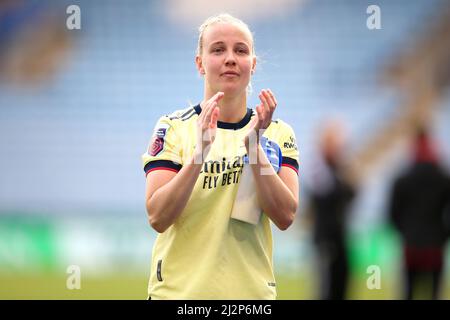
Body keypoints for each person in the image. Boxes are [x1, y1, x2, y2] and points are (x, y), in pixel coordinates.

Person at [141, 13, 300, 299]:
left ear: (252, 64)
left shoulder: (276, 133)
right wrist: (201, 151)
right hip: (179, 297)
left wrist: (254, 149)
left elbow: (286, 216)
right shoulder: (174, 128)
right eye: (218, 49)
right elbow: (158, 216)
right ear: (200, 64)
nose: (230, 58)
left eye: (241, 50)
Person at [389, 128, 450, 299]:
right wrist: (443, 234)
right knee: (434, 293)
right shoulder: (443, 178)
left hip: (412, 246)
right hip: (435, 246)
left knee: (408, 291)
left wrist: (407, 233)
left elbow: (392, 215)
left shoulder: (402, 179)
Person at [308, 120, 355, 300]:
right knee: (326, 288)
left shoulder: (337, 168)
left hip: (340, 236)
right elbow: (326, 194)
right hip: (325, 238)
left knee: (342, 284)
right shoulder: (319, 168)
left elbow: (353, 192)